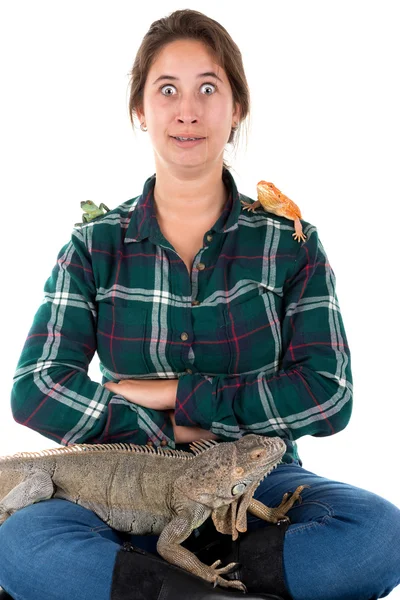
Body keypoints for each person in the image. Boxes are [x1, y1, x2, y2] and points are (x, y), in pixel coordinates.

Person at [1, 8, 399, 600]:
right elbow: (36, 388)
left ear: (235, 108)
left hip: (251, 491)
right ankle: (200, 591)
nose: (187, 110)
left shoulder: (289, 244)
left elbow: (329, 395)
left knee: (378, 535)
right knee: (24, 547)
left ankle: (153, 588)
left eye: (208, 88)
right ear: (142, 110)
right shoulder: (92, 245)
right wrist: (156, 433)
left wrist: (179, 397)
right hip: (118, 489)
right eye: (167, 90)